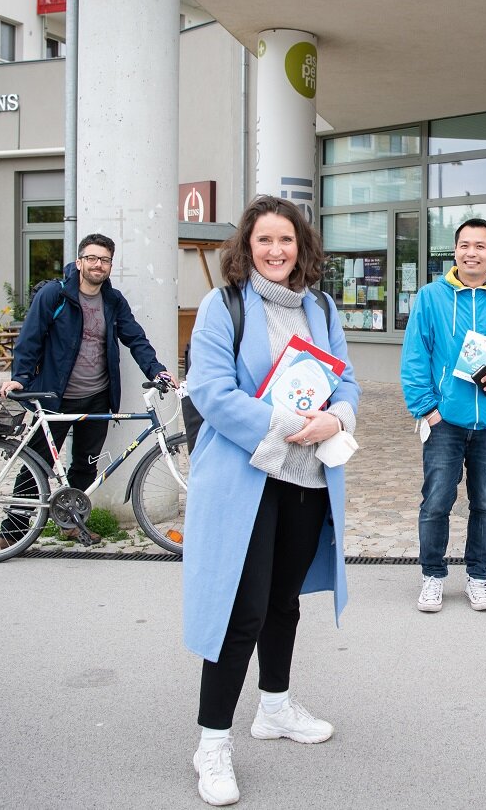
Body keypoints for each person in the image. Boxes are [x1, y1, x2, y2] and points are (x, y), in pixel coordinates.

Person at [181, 196, 359, 807]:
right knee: (241, 612)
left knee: (284, 602)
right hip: (248, 477)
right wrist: (286, 423)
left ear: (301, 246)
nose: (276, 251)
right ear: (247, 247)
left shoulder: (322, 307)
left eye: (286, 240)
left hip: (308, 480)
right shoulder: (222, 306)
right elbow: (210, 390)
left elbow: (348, 380)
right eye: (264, 242)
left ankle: (276, 708)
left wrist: (337, 417)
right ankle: (212, 744)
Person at [0, 233, 173, 550]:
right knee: (36, 465)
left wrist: (156, 369)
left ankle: (73, 524)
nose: (97, 264)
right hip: (55, 396)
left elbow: (136, 339)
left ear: (110, 265)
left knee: (85, 464)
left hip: (97, 396)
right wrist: (20, 377)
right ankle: (12, 534)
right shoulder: (55, 295)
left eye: (104, 260)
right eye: (91, 258)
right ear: (79, 262)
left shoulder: (113, 301)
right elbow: (31, 338)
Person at [400, 217, 486, 613]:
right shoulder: (431, 297)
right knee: (436, 502)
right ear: (455, 251)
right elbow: (415, 358)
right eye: (464, 245)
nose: (471, 252)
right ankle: (432, 576)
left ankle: (478, 577)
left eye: (480, 246)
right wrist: (428, 411)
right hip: (445, 421)